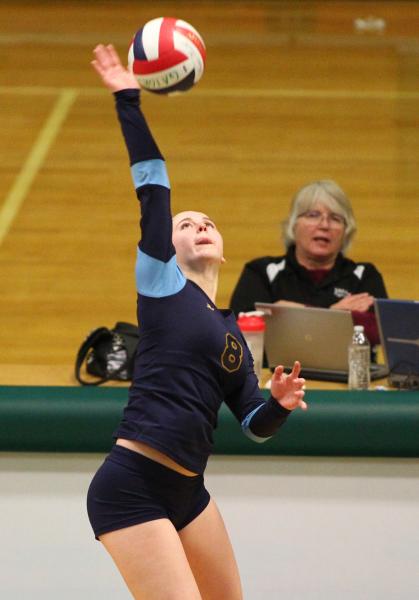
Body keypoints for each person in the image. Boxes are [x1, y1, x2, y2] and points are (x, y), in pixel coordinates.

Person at [87, 44, 308, 600]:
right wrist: (127, 99)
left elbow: (252, 422)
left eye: (209, 222)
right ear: (169, 244)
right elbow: (154, 182)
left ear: (224, 249)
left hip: (190, 491)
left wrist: (278, 404)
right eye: (187, 223)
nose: (200, 225)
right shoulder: (161, 284)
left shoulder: (232, 330)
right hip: (131, 484)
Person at [229, 180, 388, 349]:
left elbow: (377, 331)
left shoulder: (364, 275)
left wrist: (288, 315)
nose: (324, 225)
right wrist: (335, 314)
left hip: (349, 374)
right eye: (313, 215)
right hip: (277, 374)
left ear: (346, 231)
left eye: (335, 218)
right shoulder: (261, 272)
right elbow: (241, 329)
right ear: (293, 225)